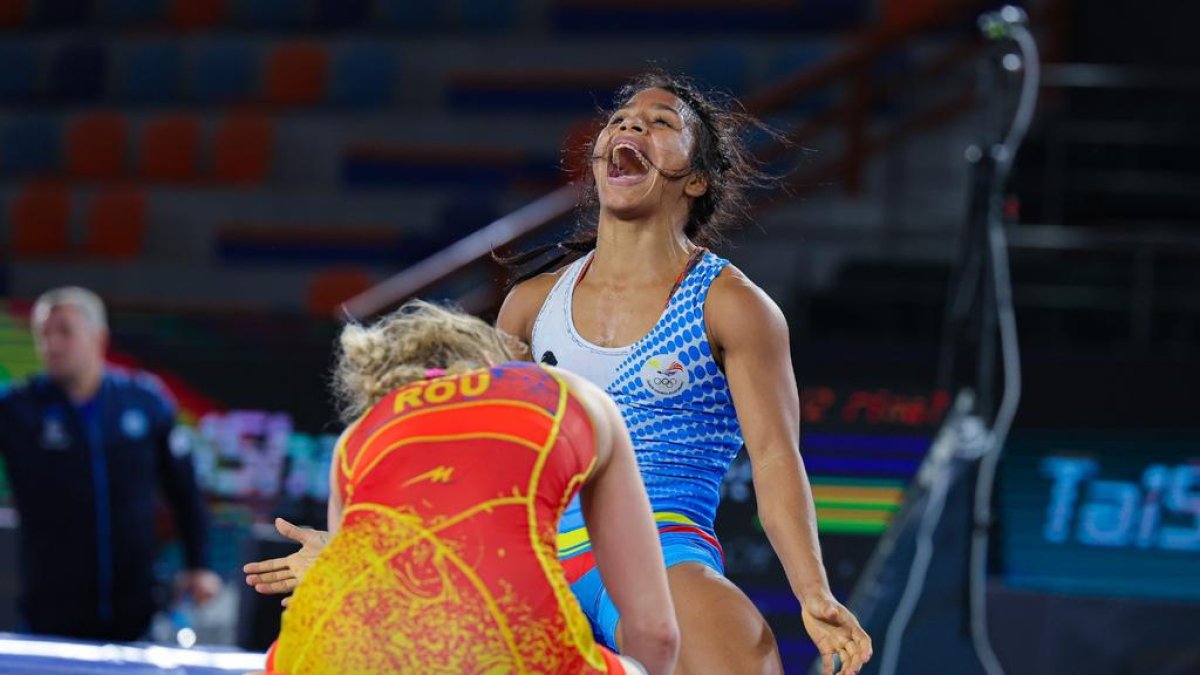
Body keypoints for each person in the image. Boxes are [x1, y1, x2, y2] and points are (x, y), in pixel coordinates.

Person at [495, 71, 873, 675]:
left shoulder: (732, 306)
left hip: (660, 546)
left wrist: (813, 591)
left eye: (662, 122)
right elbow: (482, 455)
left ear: (695, 179)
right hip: (532, 556)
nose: (631, 124)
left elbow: (776, 459)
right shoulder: (530, 304)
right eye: (620, 119)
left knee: (747, 662)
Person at [245, 300, 678, 674]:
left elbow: (366, 600)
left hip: (320, 656)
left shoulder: (357, 437)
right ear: (493, 364)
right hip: (511, 651)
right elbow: (655, 632)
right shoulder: (568, 393)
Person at [0, 286, 220, 641]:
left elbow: (185, 491)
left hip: (135, 609)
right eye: (43, 334)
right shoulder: (18, 409)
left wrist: (199, 565)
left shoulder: (145, 401)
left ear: (98, 337)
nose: (51, 344)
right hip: (49, 613)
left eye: (64, 331)